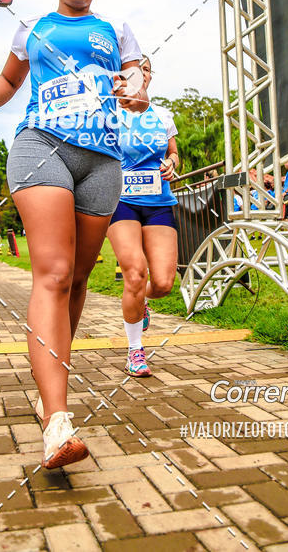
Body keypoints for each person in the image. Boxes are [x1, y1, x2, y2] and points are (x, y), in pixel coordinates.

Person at [0, 0, 146, 469]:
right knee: (54, 272)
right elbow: (9, 79)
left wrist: (136, 89)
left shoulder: (117, 30)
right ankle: (56, 421)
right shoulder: (33, 27)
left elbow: (136, 82)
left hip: (103, 162)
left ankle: (52, 370)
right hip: (41, 145)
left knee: (78, 279)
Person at [107, 55, 179, 377]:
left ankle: (141, 303)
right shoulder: (108, 113)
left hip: (157, 200)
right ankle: (135, 350)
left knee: (163, 283)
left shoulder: (163, 115)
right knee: (135, 272)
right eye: (134, 71)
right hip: (120, 200)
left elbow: (173, 153)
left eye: (146, 69)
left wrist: (172, 164)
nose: (141, 74)